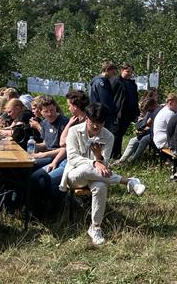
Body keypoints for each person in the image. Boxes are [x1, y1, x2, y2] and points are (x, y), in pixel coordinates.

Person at [59, 103, 144, 246]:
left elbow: (105, 165)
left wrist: (99, 157)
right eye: (93, 123)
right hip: (75, 175)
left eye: (100, 123)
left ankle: (95, 227)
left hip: (97, 176)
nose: (96, 127)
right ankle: (127, 181)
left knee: (100, 186)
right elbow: (72, 158)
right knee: (85, 170)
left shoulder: (108, 136)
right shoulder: (74, 131)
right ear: (87, 119)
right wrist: (94, 162)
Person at [28, 97, 70, 213]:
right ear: (40, 112)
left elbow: (64, 148)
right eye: (46, 111)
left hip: (61, 158)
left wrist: (42, 155)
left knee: (38, 176)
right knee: (25, 168)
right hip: (49, 155)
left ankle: (49, 207)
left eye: (52, 110)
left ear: (55, 108)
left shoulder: (64, 122)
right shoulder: (44, 123)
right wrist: (34, 147)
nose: (50, 113)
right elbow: (47, 143)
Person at [115, 93, 160, 166]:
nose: (148, 112)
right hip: (151, 131)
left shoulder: (158, 111)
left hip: (156, 134)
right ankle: (122, 160)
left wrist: (145, 128)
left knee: (143, 139)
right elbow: (144, 124)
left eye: (148, 110)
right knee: (133, 140)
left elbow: (149, 124)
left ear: (152, 106)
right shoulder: (152, 111)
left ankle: (132, 161)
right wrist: (143, 128)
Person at [111, 64, 140, 158]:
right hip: (118, 113)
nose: (129, 74)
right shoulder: (116, 81)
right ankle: (114, 155)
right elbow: (111, 96)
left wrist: (137, 113)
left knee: (121, 134)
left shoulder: (132, 84)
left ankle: (117, 154)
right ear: (122, 71)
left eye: (131, 72)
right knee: (116, 134)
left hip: (128, 114)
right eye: (127, 71)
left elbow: (135, 99)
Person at [89, 61, 120, 135]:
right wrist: (112, 112)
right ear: (107, 70)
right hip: (101, 114)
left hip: (102, 114)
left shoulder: (105, 81)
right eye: (113, 72)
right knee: (103, 137)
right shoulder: (100, 83)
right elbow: (105, 100)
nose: (113, 74)